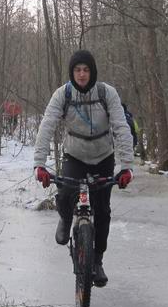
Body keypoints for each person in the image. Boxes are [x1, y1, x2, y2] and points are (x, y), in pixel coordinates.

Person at [33, 50, 134, 287]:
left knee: (103, 211)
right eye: (77, 70)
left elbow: (120, 126)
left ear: (92, 72)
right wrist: (39, 164)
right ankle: (66, 219)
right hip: (75, 155)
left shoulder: (106, 93)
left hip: (103, 156)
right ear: (72, 72)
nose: (81, 74)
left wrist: (126, 166)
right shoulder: (63, 94)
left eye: (86, 70)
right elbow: (47, 125)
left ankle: (97, 260)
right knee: (67, 194)